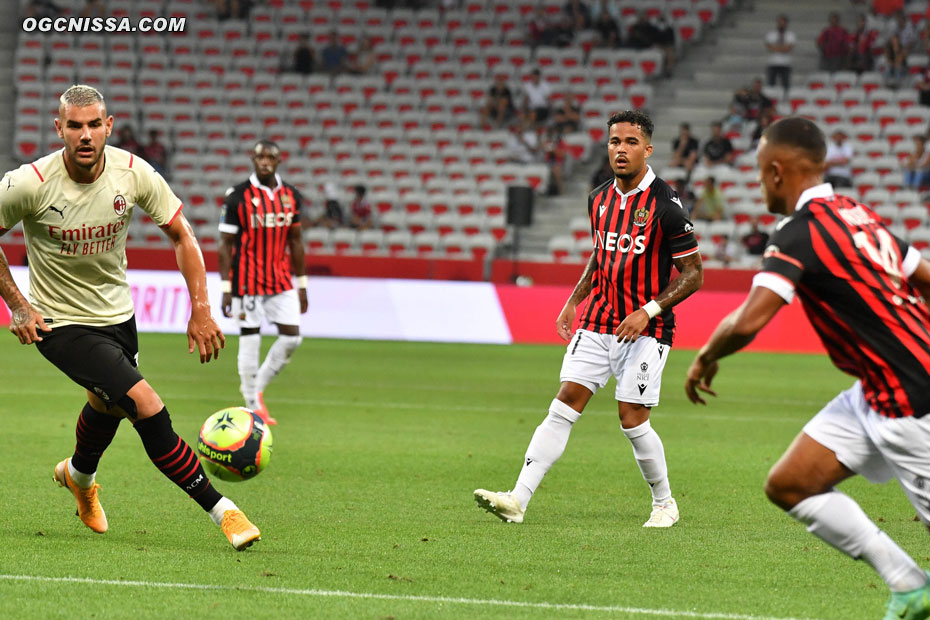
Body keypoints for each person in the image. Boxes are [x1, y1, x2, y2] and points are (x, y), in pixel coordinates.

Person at [685, 116, 930, 619]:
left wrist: (706, 356)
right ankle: (910, 586)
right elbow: (924, 276)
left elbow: (749, 320)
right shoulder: (857, 214)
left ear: (777, 172)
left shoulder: (799, 233)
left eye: (758, 174)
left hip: (912, 401)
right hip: (878, 389)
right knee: (791, 483)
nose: (759, 185)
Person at [0, 84, 260, 550]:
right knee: (145, 405)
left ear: (108, 127)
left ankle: (78, 476)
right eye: (74, 126)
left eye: (94, 125)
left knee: (107, 406)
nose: (85, 135)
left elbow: (182, 234)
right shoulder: (30, 183)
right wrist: (19, 304)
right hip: (58, 322)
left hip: (117, 316)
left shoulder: (133, 173)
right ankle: (226, 512)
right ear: (58, 128)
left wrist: (201, 310)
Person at [475, 110, 703, 528]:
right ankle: (517, 500)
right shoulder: (598, 198)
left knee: (631, 417)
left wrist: (648, 310)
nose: (622, 149)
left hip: (647, 328)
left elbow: (694, 275)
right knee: (564, 404)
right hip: (598, 321)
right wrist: (574, 299)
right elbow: (602, 254)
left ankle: (664, 503)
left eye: (631, 142)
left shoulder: (666, 206)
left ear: (647, 149)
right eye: (615, 141)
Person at [218, 140, 308, 426]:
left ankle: (257, 388)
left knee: (293, 336)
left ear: (279, 161)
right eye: (260, 156)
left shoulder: (292, 195)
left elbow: (296, 241)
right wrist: (226, 288)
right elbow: (225, 245)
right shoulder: (237, 196)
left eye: (271, 157)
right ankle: (252, 403)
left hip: (281, 280)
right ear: (253, 160)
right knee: (250, 338)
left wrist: (302, 284)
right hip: (246, 281)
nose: (265, 161)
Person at [764, 14, 796, 91]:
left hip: (786, 63)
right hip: (773, 62)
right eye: (780, 22)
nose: (781, 24)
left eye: (783, 23)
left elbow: (788, 48)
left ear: (786, 24)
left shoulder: (791, 35)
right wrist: (782, 48)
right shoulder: (771, 34)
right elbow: (769, 47)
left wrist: (776, 48)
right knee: (771, 85)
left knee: (786, 85)